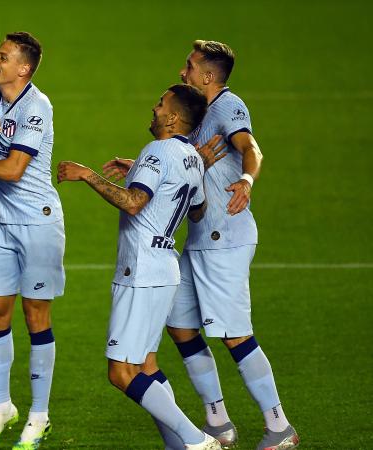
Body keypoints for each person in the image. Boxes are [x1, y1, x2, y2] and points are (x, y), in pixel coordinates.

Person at [104, 40, 299, 450]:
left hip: (225, 240)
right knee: (180, 328)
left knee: (235, 335)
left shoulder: (227, 107)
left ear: (208, 76)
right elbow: (188, 164)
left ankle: (279, 427)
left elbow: (250, 147)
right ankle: (218, 422)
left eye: (189, 66)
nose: (182, 71)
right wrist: (140, 166)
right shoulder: (197, 115)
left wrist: (246, 180)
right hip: (197, 242)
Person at [58, 84, 223, 450]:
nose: (154, 107)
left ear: (173, 118)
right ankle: (179, 446)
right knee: (147, 365)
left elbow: (133, 202)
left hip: (142, 269)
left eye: (161, 104)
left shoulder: (158, 150)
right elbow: (197, 210)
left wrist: (87, 175)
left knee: (120, 373)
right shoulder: (192, 158)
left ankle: (197, 441)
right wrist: (144, 172)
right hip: (165, 269)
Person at [0, 32, 64, 450]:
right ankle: (1, 406)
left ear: (23, 68)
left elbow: (13, 168)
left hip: (38, 224)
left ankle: (39, 415)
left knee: (35, 316)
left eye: (2, 56)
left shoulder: (37, 107)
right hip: (2, 223)